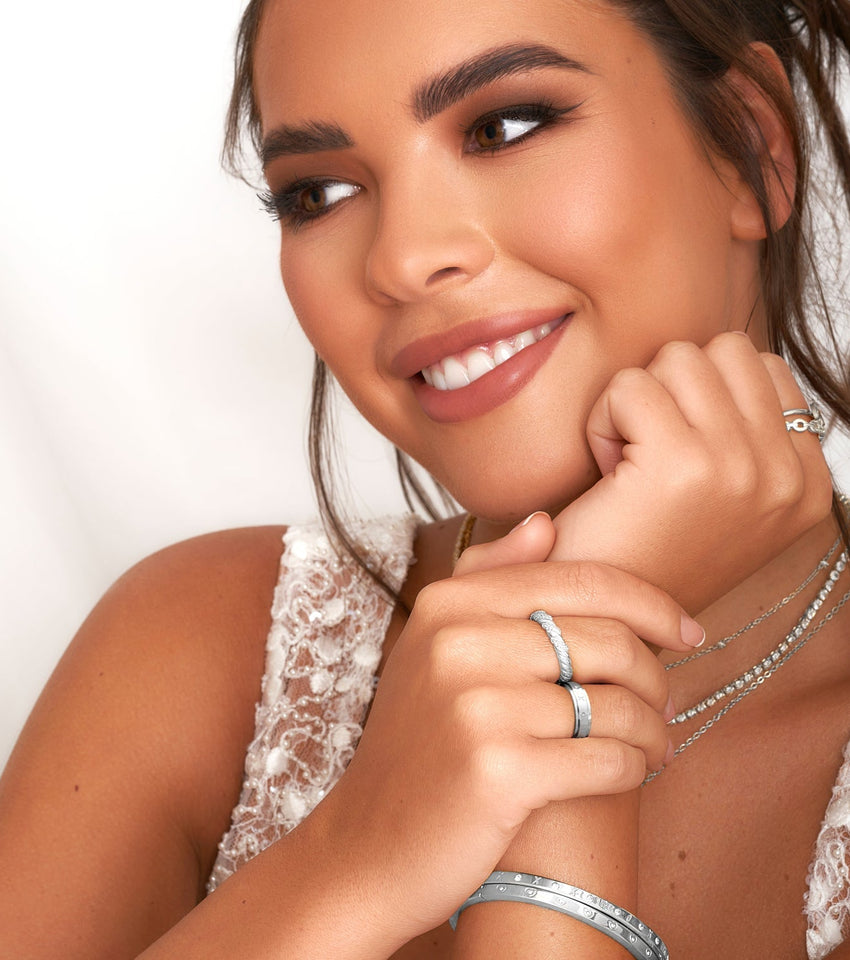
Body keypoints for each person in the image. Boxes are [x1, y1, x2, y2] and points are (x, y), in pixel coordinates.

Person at [2, 0, 850, 956]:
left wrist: (568, 654)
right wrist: (357, 855)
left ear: (749, 147)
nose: (402, 260)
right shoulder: (199, 657)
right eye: (318, 192)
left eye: (502, 127)